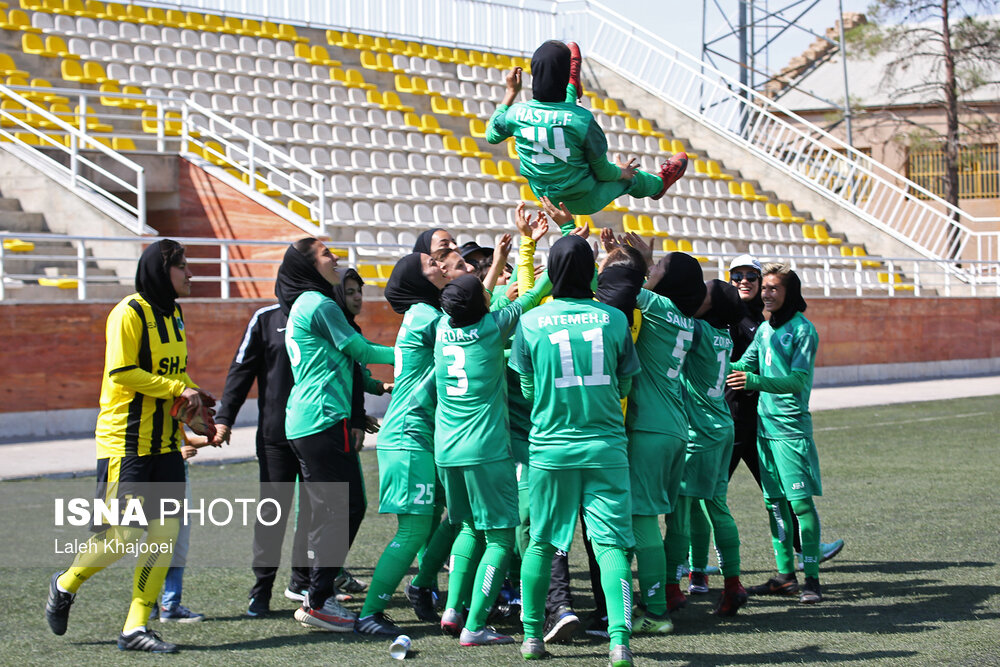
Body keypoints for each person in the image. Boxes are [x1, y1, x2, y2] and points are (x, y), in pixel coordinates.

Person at [45, 239, 216, 653]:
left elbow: (172, 373)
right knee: (121, 534)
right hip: (126, 443)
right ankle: (64, 584)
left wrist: (193, 400)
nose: (190, 274)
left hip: (163, 446)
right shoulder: (129, 312)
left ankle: (135, 627)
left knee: (163, 535)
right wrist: (180, 387)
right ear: (162, 271)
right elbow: (122, 373)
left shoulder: (174, 314)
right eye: (183, 266)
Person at [510, 235, 641, 667]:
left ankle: (532, 638)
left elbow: (527, 387)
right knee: (610, 547)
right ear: (592, 273)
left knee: (542, 543)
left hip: (550, 447)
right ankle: (619, 643)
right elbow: (625, 382)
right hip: (605, 445)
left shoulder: (530, 322)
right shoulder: (614, 320)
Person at [432, 240, 551, 647]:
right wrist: (569, 253)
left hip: (446, 448)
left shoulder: (442, 327)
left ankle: (452, 609)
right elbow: (534, 295)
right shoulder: (490, 327)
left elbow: (476, 296)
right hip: (484, 448)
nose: (488, 288)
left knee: (467, 527)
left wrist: (498, 262)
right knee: (501, 537)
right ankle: (475, 625)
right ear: (481, 304)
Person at [277, 238, 396, 632]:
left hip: (318, 420)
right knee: (339, 510)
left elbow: (342, 360)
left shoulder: (308, 303)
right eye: (327, 254)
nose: (335, 258)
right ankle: (317, 599)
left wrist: (376, 388)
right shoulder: (320, 303)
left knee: (346, 507)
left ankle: (317, 590)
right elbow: (358, 348)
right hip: (321, 420)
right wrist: (412, 350)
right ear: (309, 265)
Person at [355, 251, 451, 636]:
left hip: (421, 435)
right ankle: (369, 614)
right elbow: (478, 340)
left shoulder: (426, 314)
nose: (442, 267)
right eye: (433, 264)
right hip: (409, 435)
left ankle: (422, 586)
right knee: (412, 532)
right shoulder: (427, 316)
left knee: (452, 518)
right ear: (417, 280)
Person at [486, 40, 687, 215]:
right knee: (632, 178)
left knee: (563, 113)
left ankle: (573, 84)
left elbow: (491, 136)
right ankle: (660, 185)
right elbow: (603, 173)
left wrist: (511, 92)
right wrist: (621, 172)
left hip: (548, 199)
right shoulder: (581, 120)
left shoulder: (515, 114)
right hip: (584, 198)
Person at [726, 263, 825, 603]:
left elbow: (798, 380)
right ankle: (785, 576)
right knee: (774, 505)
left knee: (799, 504)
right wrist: (711, 355)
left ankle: (811, 579)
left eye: (773, 288)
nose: (766, 293)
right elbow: (743, 365)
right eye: (764, 288)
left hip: (790, 430)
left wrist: (756, 382)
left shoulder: (803, 331)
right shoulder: (766, 330)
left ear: (790, 293)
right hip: (765, 431)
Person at [214, 288, 311, 618]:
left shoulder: (326, 313)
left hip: (318, 433)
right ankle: (261, 590)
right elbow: (241, 370)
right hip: (275, 437)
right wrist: (224, 418)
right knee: (273, 513)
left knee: (317, 510)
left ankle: (304, 583)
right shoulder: (266, 319)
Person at [669, 280, 751, 617]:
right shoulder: (725, 335)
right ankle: (732, 583)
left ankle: (672, 589)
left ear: (713, 306)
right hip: (722, 425)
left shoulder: (698, 330)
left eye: (703, 295)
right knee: (716, 505)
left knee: (679, 511)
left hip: (698, 430)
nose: (696, 297)